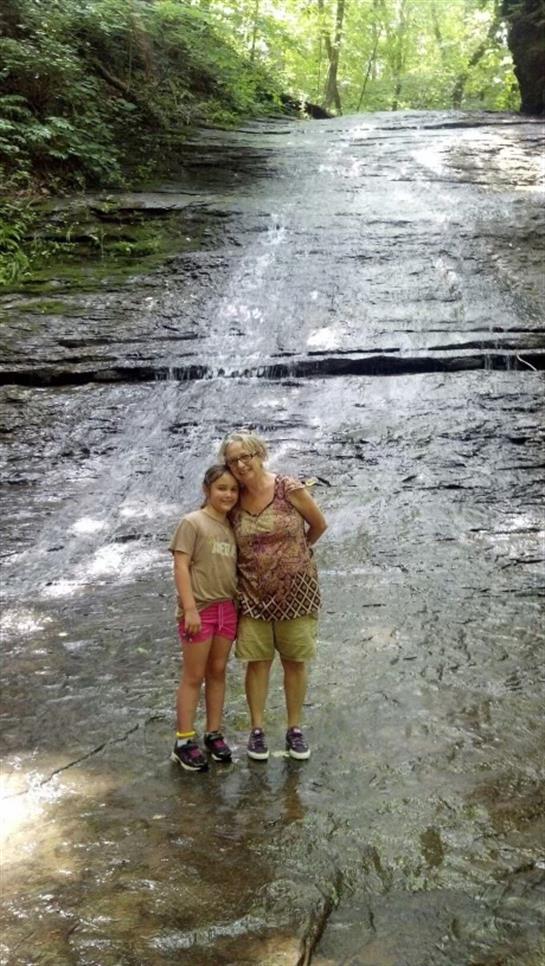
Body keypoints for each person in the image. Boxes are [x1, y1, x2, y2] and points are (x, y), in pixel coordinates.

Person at [219, 431, 327, 761]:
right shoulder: (233, 498)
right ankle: (257, 731)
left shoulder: (289, 488)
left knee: (295, 662)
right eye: (233, 460)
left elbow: (319, 525)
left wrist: (297, 553)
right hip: (251, 595)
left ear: (259, 454)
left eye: (245, 456)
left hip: (297, 594)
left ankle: (294, 729)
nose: (240, 464)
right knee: (258, 663)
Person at [169, 464, 239, 772]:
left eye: (234, 489)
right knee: (193, 675)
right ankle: (183, 740)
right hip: (200, 609)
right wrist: (190, 609)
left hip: (227, 609)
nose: (228, 494)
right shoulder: (192, 522)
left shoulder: (231, 526)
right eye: (222, 488)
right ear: (207, 490)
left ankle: (213, 732)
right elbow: (181, 567)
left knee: (219, 671)